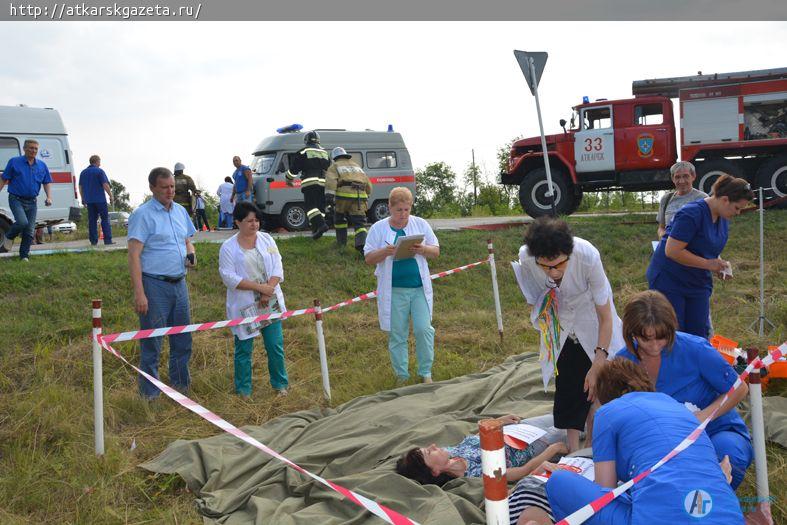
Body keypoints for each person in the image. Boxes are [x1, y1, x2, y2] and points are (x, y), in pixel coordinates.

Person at [545, 358, 744, 524]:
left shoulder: (607, 413)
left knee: (559, 482)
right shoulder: (678, 408)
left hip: (658, 517)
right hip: (726, 515)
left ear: (603, 396)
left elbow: (606, 489)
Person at [616, 290, 752, 489]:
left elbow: (740, 389)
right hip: (664, 442)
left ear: (671, 329)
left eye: (661, 337)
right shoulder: (623, 362)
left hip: (716, 431)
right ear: (631, 334)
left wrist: (705, 415)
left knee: (727, 456)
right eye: (645, 339)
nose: (654, 346)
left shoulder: (695, 349)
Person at [516, 217, 623, 452]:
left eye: (558, 265)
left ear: (569, 253)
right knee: (568, 384)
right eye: (545, 266)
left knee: (597, 387)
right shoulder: (527, 256)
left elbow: (605, 316)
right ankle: (573, 448)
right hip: (561, 322)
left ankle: (593, 447)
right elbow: (533, 295)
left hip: (592, 319)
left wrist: (598, 361)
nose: (553, 272)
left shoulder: (587, 256)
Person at [647, 174, 755, 338]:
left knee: (699, 336)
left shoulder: (722, 216)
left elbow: (707, 246)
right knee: (673, 335)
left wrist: (719, 264)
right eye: (737, 208)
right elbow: (672, 251)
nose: (738, 213)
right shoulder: (691, 214)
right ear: (725, 199)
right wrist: (707, 264)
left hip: (697, 281)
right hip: (669, 280)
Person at [128, 167, 197, 400]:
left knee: (182, 340)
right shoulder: (142, 215)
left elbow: (187, 240)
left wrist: (191, 253)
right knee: (152, 344)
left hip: (180, 284)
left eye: (172, 187)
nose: (170, 191)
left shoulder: (179, 211)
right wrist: (140, 293)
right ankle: (150, 396)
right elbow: (134, 255)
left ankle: (180, 389)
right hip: (154, 286)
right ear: (152, 188)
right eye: (165, 187)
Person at [364, 187, 440, 384]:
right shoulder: (378, 229)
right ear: (389, 207)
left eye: (407, 210)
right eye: (399, 210)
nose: (403, 215)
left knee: (424, 329)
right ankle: (401, 376)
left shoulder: (420, 224)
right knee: (398, 334)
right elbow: (369, 258)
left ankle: (426, 372)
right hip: (394, 290)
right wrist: (385, 252)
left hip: (418, 289)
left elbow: (436, 251)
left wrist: (422, 249)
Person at [218, 201, 289, 397]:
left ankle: (280, 385)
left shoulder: (267, 240)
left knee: (275, 346)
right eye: (249, 221)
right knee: (244, 349)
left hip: (269, 301)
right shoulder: (228, 247)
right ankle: (243, 391)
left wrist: (268, 291)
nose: (254, 225)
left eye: (257, 220)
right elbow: (228, 276)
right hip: (245, 305)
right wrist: (258, 288)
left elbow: (278, 266)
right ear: (238, 222)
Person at [396, 415, 568, 485]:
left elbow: (476, 438)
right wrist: (552, 450)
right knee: (576, 424)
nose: (433, 446)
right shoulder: (477, 475)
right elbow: (523, 471)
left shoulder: (450, 452)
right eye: (428, 452)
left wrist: (498, 422)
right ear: (434, 471)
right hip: (533, 446)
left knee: (565, 412)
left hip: (517, 429)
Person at [0, 139, 53, 260]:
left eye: (35, 148)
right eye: (30, 148)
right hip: (16, 199)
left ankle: (24, 256)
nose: (33, 150)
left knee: (29, 230)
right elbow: (4, 179)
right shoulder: (14, 162)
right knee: (22, 222)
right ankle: (9, 236)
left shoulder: (41, 165)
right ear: (24, 149)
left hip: (32, 201)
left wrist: (49, 197)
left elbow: (47, 182)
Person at [324, 147, 373, 252]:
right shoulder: (356, 166)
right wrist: (367, 195)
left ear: (334, 157)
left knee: (339, 219)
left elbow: (331, 181)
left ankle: (341, 243)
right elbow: (368, 184)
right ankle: (362, 245)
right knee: (360, 223)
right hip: (360, 197)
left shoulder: (335, 166)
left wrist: (329, 197)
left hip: (343, 196)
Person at [286, 131, 330, 239]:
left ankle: (321, 225)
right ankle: (316, 231)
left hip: (310, 182)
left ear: (306, 140)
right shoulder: (325, 153)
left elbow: (294, 169)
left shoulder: (303, 151)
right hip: (323, 183)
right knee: (320, 207)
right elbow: (330, 168)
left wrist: (288, 179)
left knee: (310, 207)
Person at [656, 161, 707, 239]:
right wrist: (663, 236)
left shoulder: (703, 198)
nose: (681, 181)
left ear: (693, 176)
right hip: (669, 248)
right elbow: (661, 228)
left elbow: (707, 229)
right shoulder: (666, 199)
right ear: (673, 179)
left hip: (692, 249)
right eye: (677, 177)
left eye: (686, 176)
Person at [78, 154, 115, 246]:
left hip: (89, 201)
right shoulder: (99, 171)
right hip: (100, 200)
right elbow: (105, 184)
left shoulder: (83, 172)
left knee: (92, 220)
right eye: (99, 162)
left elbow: (80, 187)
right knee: (105, 219)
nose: (100, 164)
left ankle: (93, 241)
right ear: (97, 161)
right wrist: (111, 195)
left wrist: (83, 198)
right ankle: (108, 240)